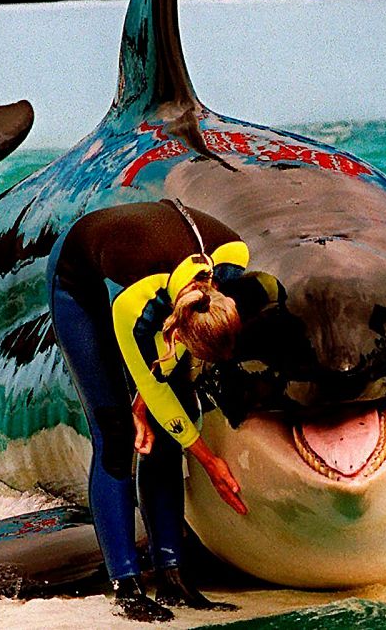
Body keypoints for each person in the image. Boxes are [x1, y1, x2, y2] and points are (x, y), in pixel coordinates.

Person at [47, 199, 248, 622]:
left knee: (163, 430)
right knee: (117, 434)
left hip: (167, 278)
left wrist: (156, 403)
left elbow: (166, 371)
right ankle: (126, 585)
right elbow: (150, 378)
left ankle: (173, 575)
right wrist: (211, 462)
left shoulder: (234, 264)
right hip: (77, 280)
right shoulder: (134, 306)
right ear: (176, 329)